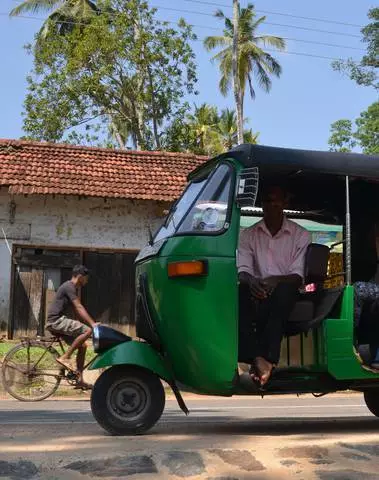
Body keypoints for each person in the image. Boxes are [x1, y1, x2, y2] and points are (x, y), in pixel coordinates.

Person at [237, 184, 311, 386]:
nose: (269, 205)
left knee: (285, 291)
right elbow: (243, 269)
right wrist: (252, 282)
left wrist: (275, 281)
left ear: (285, 203)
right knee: (237, 291)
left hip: (285, 289)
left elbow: (297, 275)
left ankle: (265, 358)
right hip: (256, 289)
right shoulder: (248, 234)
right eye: (265, 201)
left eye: (274, 200)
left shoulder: (301, 235)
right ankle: (259, 359)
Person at [46, 265, 98, 389]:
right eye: (86, 278)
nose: (87, 281)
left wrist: (85, 323)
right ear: (80, 276)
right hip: (56, 321)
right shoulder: (69, 286)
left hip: (57, 321)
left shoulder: (71, 288)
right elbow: (79, 307)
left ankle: (79, 380)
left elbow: (76, 310)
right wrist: (93, 324)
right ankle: (65, 357)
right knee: (89, 330)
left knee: (83, 346)